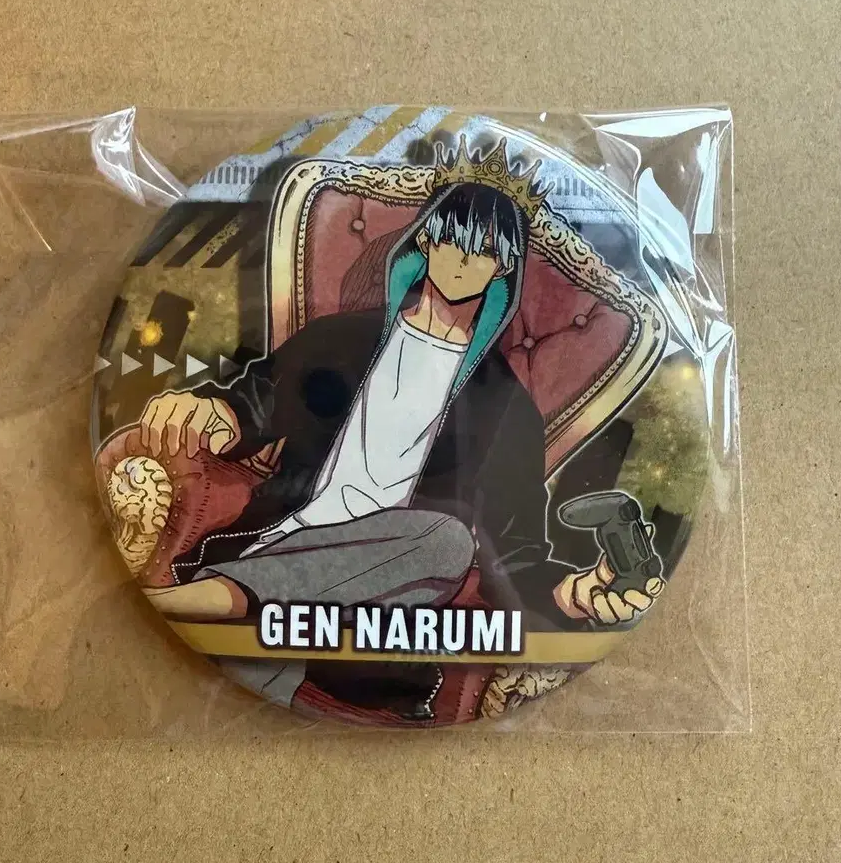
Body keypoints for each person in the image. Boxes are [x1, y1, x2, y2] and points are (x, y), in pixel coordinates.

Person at [136, 138, 664, 706]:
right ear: (428, 238)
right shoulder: (339, 340)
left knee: (446, 541)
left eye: (485, 251)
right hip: (285, 549)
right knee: (437, 545)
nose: (463, 260)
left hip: (388, 604)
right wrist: (208, 410)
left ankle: (214, 603)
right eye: (454, 239)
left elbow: (515, 555)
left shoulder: (508, 412)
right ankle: (239, 608)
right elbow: (255, 401)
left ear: (503, 267)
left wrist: (574, 593)